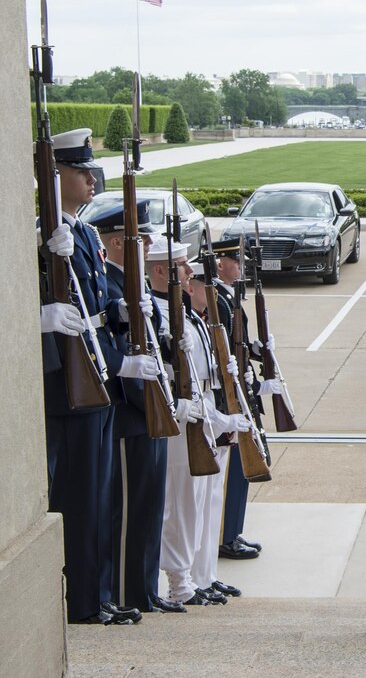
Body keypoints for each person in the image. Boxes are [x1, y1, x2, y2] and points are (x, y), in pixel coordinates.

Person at [39, 128, 150, 626]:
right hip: (70, 384)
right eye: (80, 170)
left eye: (90, 169)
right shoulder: (41, 232)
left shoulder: (81, 232)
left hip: (98, 373)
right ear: (54, 174)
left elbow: (100, 304)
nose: (90, 177)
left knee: (102, 495)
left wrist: (128, 315)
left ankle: (101, 593)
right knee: (80, 497)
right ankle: (82, 600)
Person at [90, 200, 186, 614]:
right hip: (132, 410)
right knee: (129, 510)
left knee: (149, 507)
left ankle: (144, 590)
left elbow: (151, 337)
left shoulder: (133, 285)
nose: (147, 245)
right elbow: (113, 347)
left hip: (151, 405)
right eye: (140, 239)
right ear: (117, 242)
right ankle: (129, 592)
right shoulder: (110, 285)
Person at [151, 238, 246, 607]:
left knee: (205, 502)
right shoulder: (157, 312)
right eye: (181, 265)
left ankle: (201, 575)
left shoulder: (185, 311)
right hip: (183, 417)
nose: (190, 271)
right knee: (183, 502)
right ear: (161, 270)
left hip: (203, 410)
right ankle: (179, 581)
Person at [211, 239, 276, 562]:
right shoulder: (218, 300)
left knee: (242, 468)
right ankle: (224, 535)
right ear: (220, 264)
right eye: (237, 261)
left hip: (243, 389)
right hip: (232, 397)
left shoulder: (227, 296)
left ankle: (232, 531)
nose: (242, 267)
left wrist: (258, 352)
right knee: (233, 469)